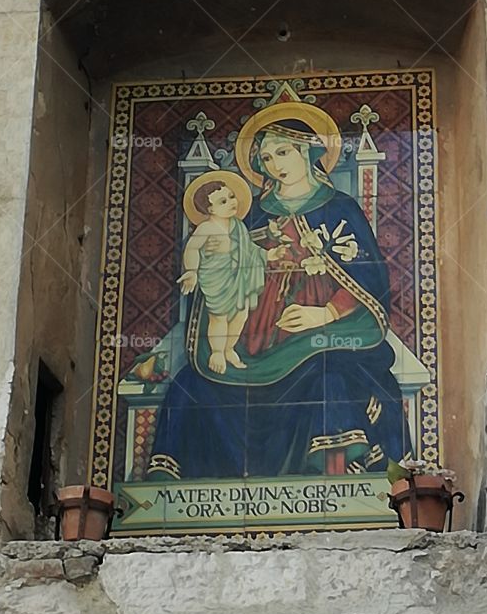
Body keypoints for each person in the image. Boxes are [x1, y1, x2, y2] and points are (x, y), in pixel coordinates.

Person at [147, 103, 412, 482]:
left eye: (282, 152)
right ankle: (167, 497)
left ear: (308, 151)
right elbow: (219, 284)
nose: (274, 165)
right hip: (254, 345)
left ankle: (338, 482)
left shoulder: (341, 209)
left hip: (322, 340)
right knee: (189, 385)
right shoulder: (249, 216)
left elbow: (368, 281)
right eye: (266, 157)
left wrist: (325, 314)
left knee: (328, 378)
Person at [178, 177, 265, 374]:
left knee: (240, 315)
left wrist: (269, 255)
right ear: (210, 210)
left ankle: (228, 348)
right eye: (222, 201)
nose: (231, 202)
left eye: (231, 196)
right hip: (216, 280)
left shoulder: (238, 226)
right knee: (219, 318)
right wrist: (191, 271)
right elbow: (191, 249)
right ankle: (216, 352)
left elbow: (249, 249)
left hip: (238, 279)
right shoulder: (206, 228)